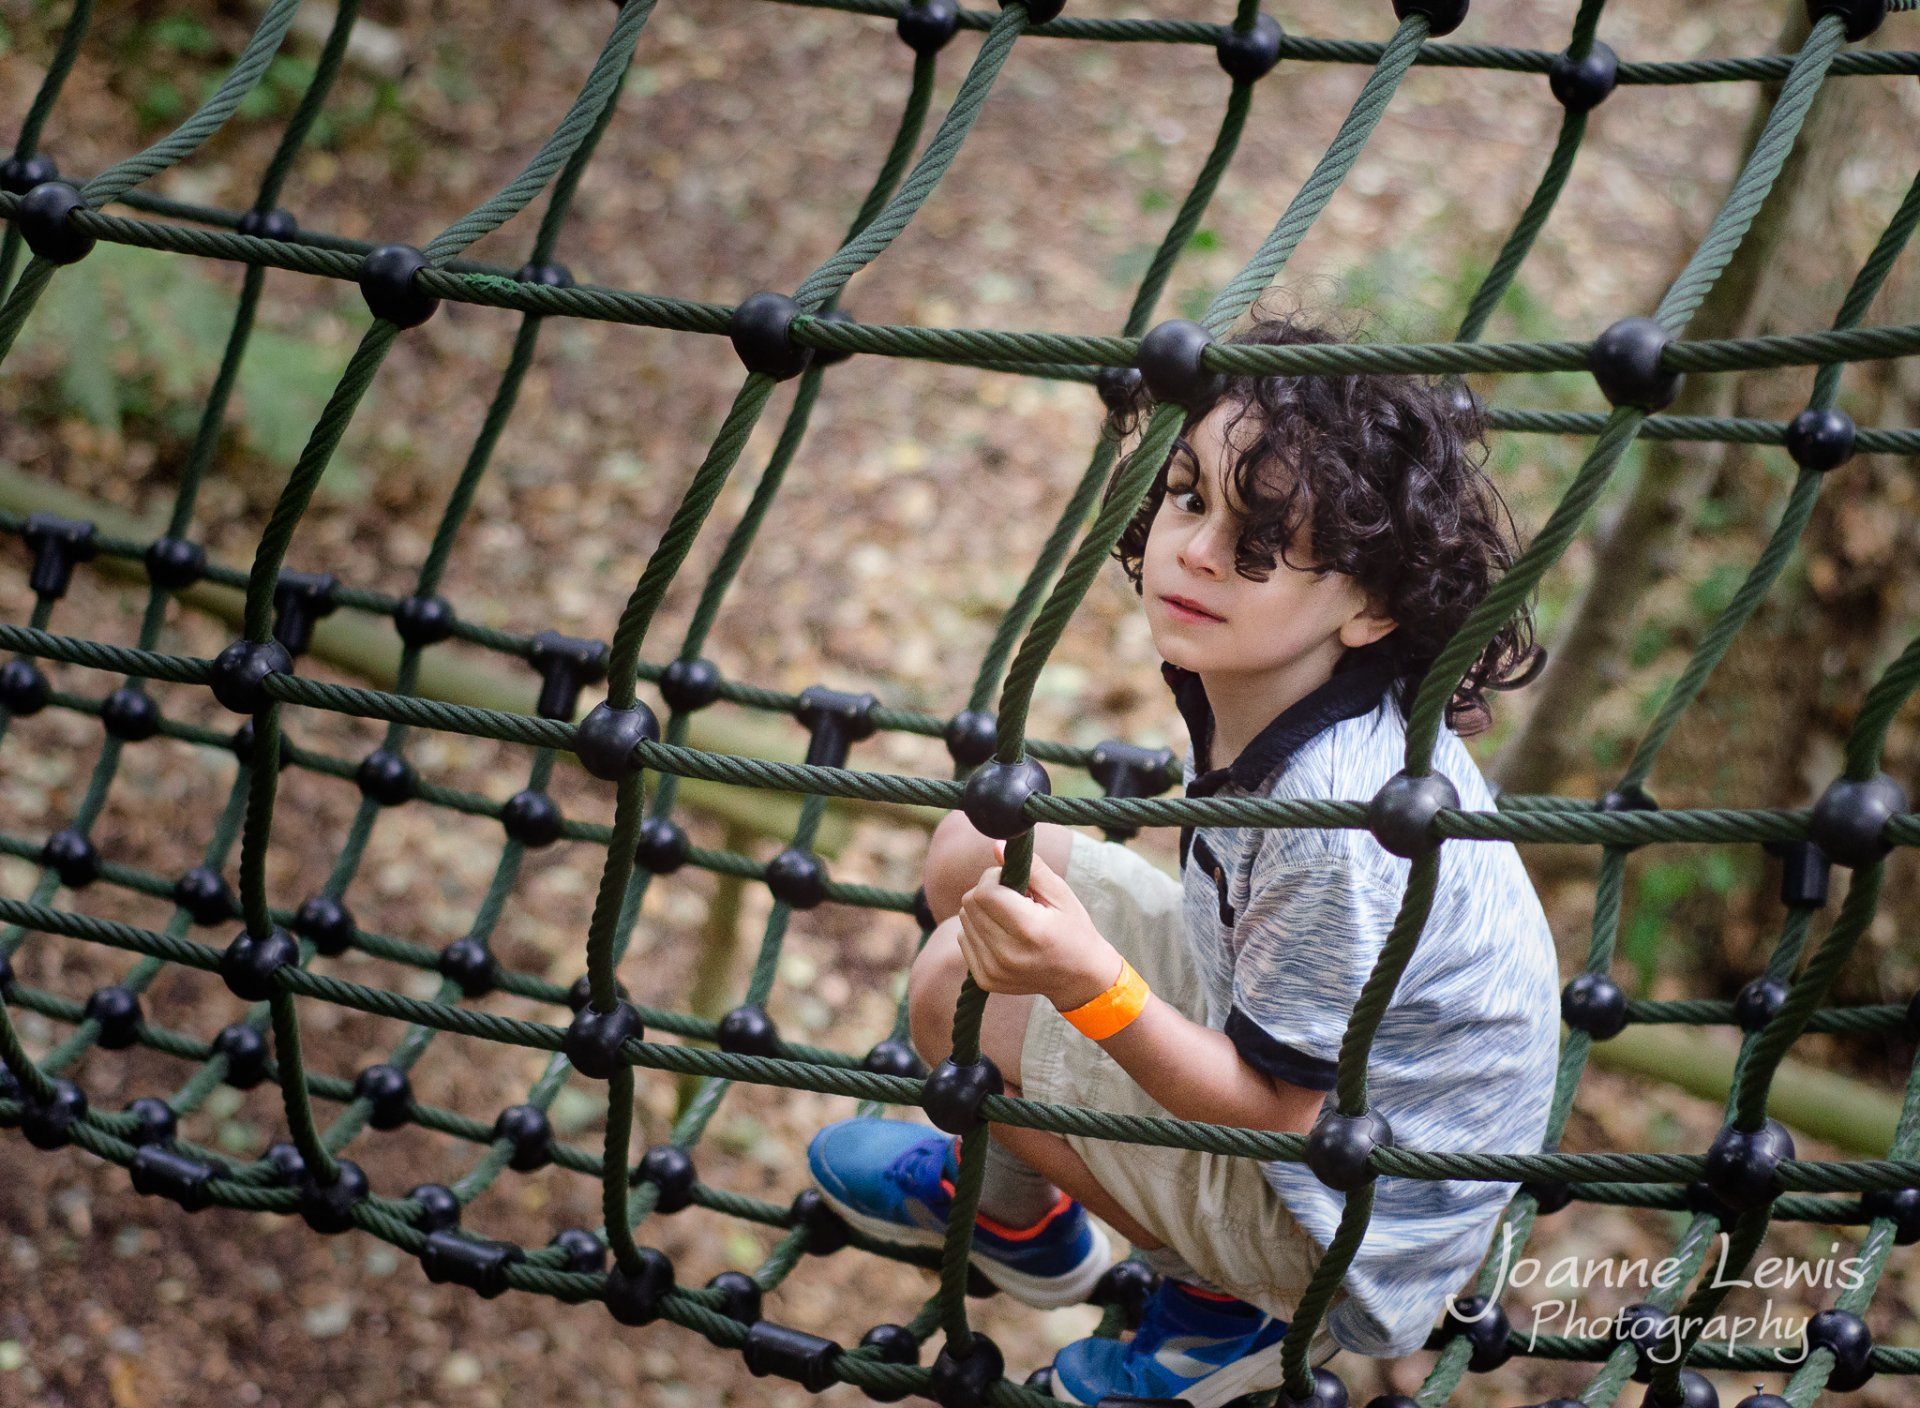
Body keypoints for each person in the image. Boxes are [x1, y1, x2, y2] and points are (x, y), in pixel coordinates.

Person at [807, 308, 1561, 1406]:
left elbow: (1287, 1112)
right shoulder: (1278, 680)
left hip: (1340, 1225)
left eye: (1261, 544)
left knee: (958, 992)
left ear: (1372, 606)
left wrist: (1088, 983)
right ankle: (1032, 1217)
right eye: (1190, 496)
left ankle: (1218, 1310)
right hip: (1316, 1082)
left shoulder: (1337, 823)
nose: (1200, 551)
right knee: (980, 847)